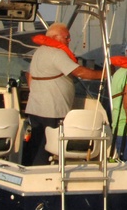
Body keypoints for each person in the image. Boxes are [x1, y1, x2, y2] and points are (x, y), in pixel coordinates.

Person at [24, 22, 104, 166]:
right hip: (53, 110)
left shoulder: (39, 51)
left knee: (38, 143)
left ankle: (34, 168)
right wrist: (104, 74)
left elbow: (29, 74)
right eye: (66, 37)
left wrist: (37, 92)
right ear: (55, 37)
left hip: (36, 108)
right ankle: (43, 175)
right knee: (49, 145)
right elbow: (79, 72)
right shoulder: (56, 53)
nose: (69, 40)